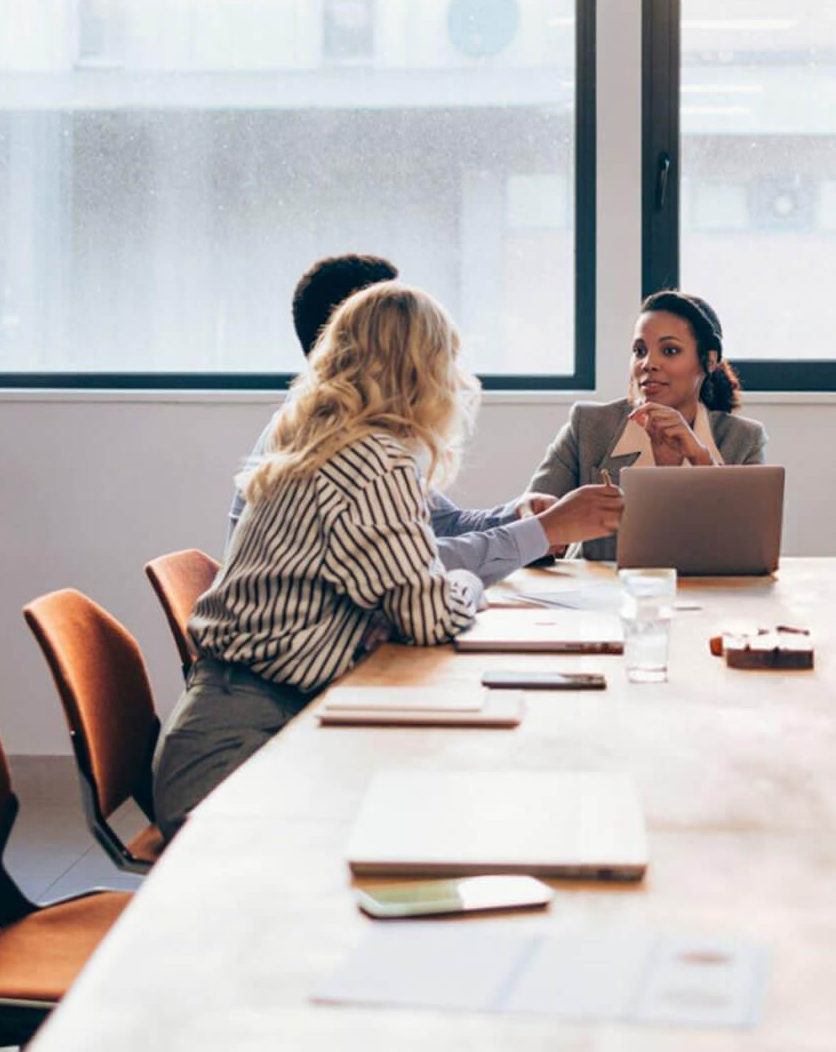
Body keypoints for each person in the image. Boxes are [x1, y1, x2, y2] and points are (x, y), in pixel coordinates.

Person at [157, 283, 495, 841]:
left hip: (231, 731)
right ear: (423, 370)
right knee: (439, 817)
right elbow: (431, 616)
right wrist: (464, 581)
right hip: (236, 765)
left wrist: (388, 609)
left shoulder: (319, 438)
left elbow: (393, 599)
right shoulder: (373, 460)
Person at [227, 253, 621, 584]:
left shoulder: (354, 427)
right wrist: (540, 532)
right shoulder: (333, 441)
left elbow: (439, 524)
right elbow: (416, 564)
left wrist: (516, 514)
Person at [527, 290, 768, 561]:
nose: (649, 364)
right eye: (639, 351)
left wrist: (700, 459)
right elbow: (526, 525)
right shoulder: (588, 426)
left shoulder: (743, 439)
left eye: (670, 350)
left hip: (703, 595)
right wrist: (544, 522)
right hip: (599, 594)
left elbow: (747, 550)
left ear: (709, 360)